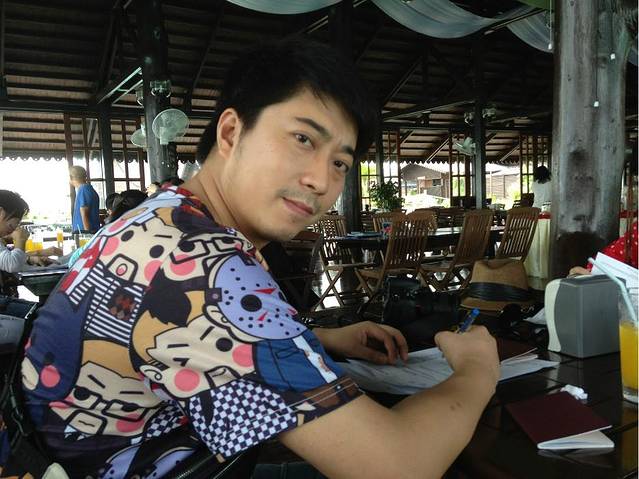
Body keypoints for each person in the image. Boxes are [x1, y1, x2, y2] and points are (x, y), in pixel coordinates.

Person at [12, 38, 498, 479]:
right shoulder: (198, 263)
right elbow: (396, 467)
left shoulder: (165, 215)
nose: (321, 180)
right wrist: (477, 370)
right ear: (230, 133)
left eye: (340, 163)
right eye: (303, 139)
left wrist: (323, 340)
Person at [69, 165, 100, 233]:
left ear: (71, 177)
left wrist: (87, 235)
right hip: (90, 232)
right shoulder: (89, 189)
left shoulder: (83, 189)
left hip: (84, 233)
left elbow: (84, 213)